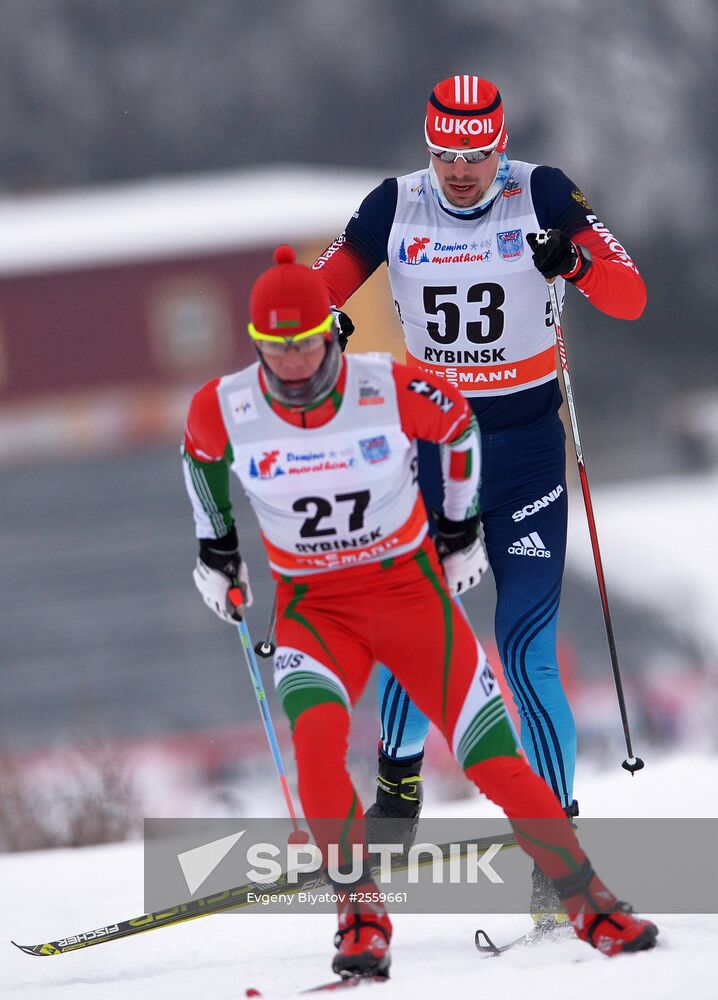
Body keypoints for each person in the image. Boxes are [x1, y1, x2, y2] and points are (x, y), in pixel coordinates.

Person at [182, 245, 657, 978]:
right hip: (316, 611)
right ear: (258, 346)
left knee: (492, 757)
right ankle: (360, 916)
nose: (298, 363)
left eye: (309, 343)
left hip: (409, 596)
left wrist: (460, 531)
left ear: (328, 333)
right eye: (279, 350)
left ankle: (589, 901)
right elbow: (198, 456)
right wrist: (217, 551)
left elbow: (458, 426)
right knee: (316, 743)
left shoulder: (383, 386)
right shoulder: (226, 405)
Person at [312, 74, 647, 921]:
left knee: (525, 648)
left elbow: (628, 295)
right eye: (446, 155)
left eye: (477, 155)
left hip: (529, 458)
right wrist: (321, 325)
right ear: (429, 149)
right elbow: (317, 291)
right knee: (411, 630)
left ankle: (556, 848)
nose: (462, 172)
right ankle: (397, 793)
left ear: (500, 147)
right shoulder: (396, 205)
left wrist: (571, 259)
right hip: (429, 456)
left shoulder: (541, 190)